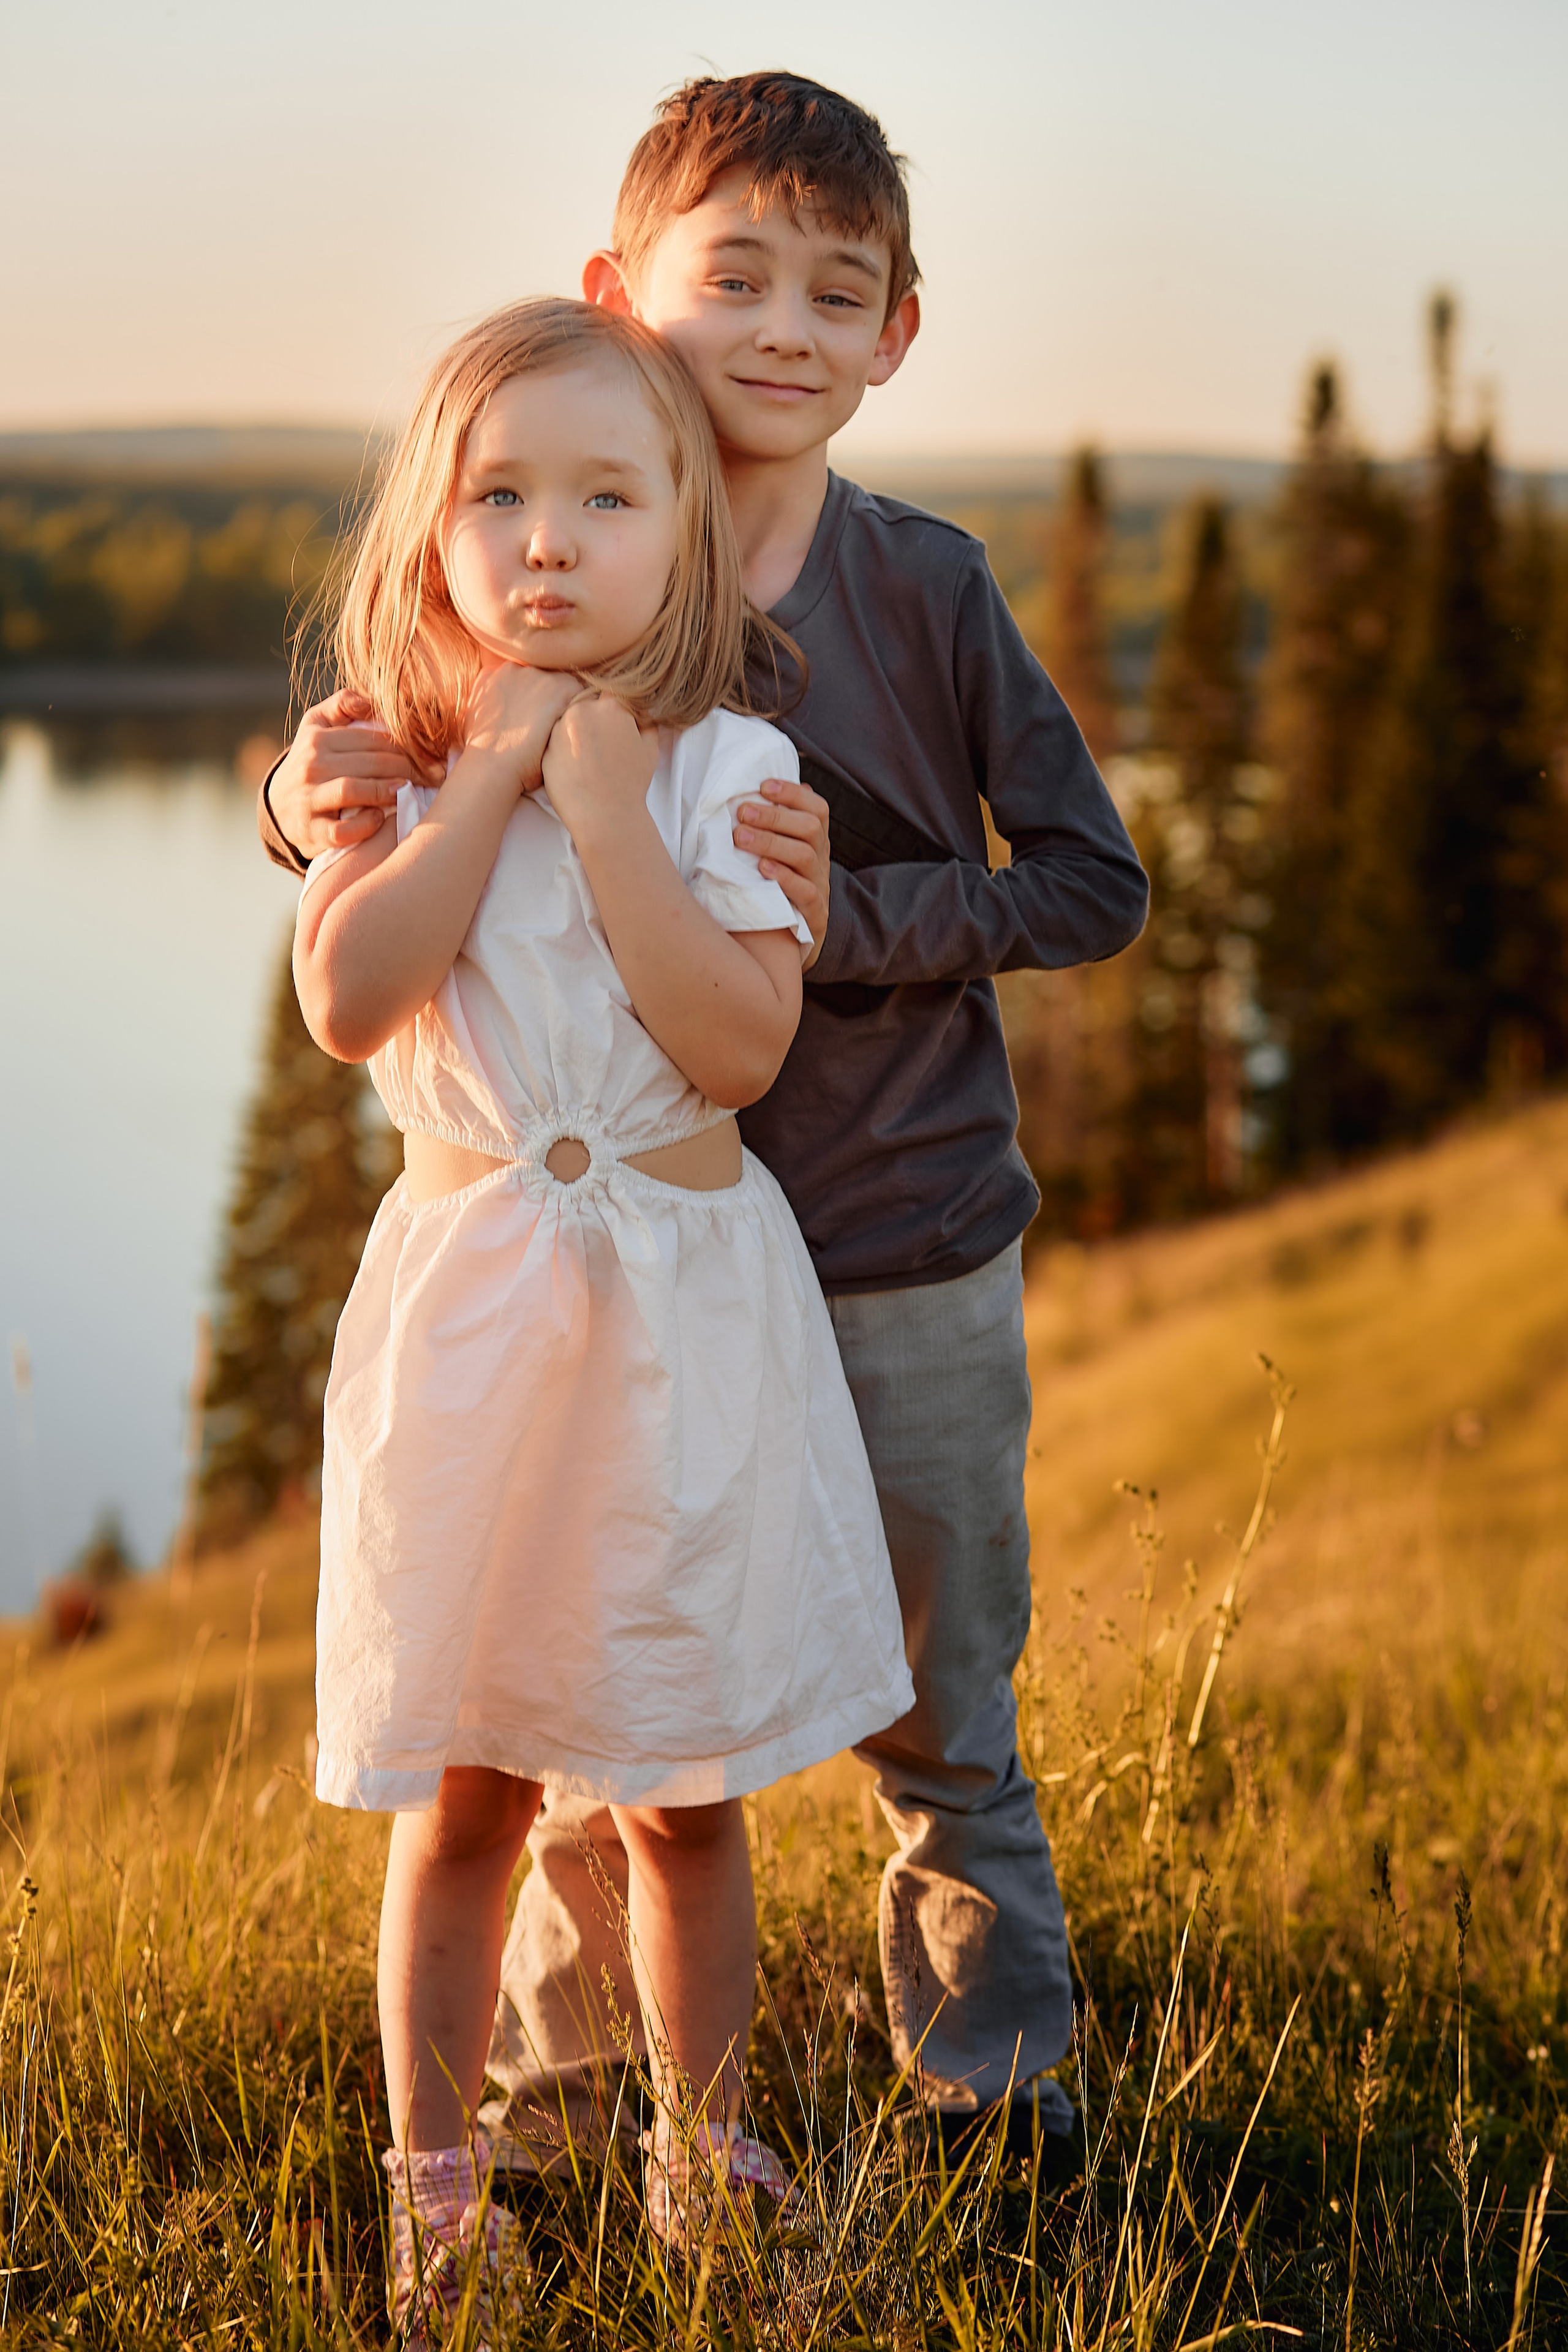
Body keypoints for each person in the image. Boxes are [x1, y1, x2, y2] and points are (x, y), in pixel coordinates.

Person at [262, 72, 1148, 2180]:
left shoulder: (920, 588)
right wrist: (294, 808)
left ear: (890, 340)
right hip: (616, 1272)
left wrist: (842, 917)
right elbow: (399, 825)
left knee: (940, 1701)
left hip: (895, 1226)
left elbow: (1095, 883)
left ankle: (993, 2096)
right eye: (729, 275)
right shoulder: (548, 560)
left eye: (832, 293)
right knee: (593, 1702)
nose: (775, 326)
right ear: (623, 294)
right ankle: (560, 2109)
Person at [290, 293, 916, 2326]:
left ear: (682, 535)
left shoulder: (737, 765)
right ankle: (436, 2172)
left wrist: (607, 808)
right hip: (478, 1328)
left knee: (681, 1781)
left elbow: (735, 1045)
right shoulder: (385, 757)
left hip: (673, 1330)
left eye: (607, 496)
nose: (549, 540)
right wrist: (481, 792)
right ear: (437, 525)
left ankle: (701, 2148)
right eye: (502, 494)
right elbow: (350, 1001)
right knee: (467, 1782)